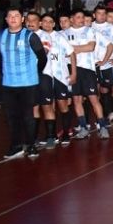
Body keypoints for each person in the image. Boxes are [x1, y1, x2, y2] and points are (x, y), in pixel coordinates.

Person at [0, 7, 47, 159]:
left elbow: (42, 58)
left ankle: (31, 145)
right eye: (9, 16)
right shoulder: (0, 36)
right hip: (8, 84)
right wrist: (5, 75)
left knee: (27, 115)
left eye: (16, 15)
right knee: (11, 117)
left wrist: (34, 74)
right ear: (5, 19)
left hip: (28, 83)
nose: (13, 18)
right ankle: (16, 146)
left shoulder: (30, 36)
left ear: (22, 19)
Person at [68, 10, 110, 140]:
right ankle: (83, 127)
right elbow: (63, 51)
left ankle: (102, 127)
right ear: (72, 19)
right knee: (77, 100)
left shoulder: (89, 31)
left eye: (82, 17)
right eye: (78, 17)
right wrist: (78, 48)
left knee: (94, 99)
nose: (81, 20)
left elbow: (90, 47)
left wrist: (71, 48)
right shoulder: (64, 34)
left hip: (88, 70)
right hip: (72, 69)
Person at [36, 13, 76, 148]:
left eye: (50, 22)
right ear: (41, 23)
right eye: (45, 21)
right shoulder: (36, 38)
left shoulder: (60, 37)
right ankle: (51, 136)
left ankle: (65, 133)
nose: (47, 24)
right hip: (45, 76)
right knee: (48, 106)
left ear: (54, 24)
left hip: (60, 76)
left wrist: (74, 73)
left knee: (62, 105)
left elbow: (72, 53)